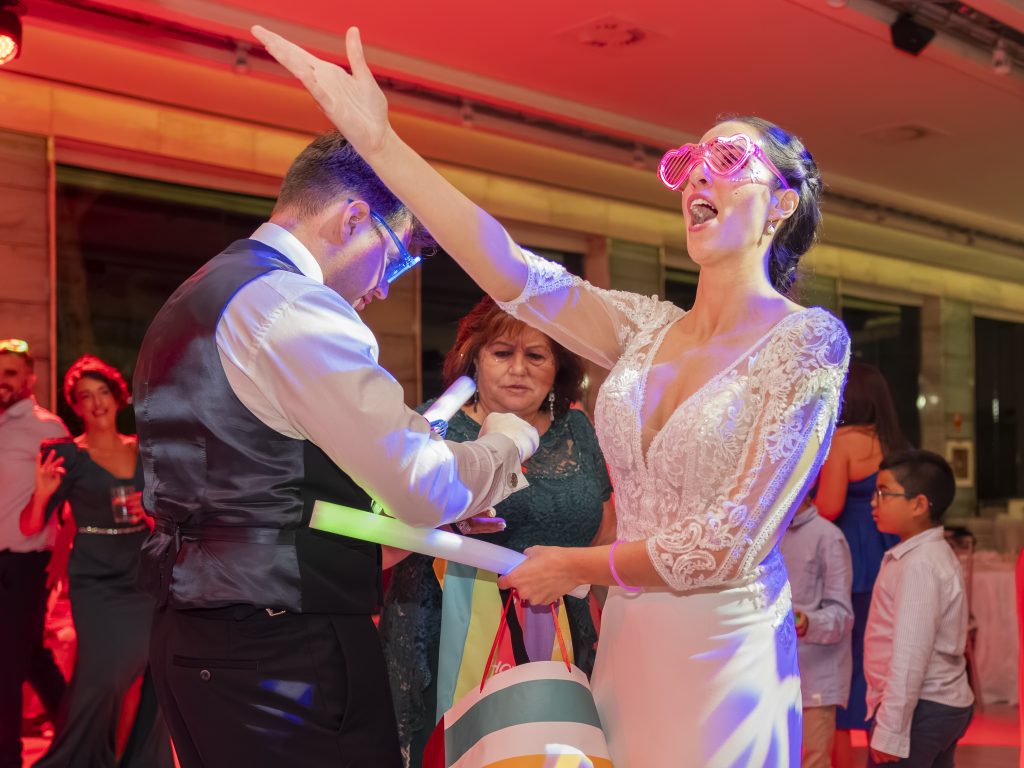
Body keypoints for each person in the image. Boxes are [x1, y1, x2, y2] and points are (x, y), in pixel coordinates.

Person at [251, 26, 851, 766]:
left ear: (782, 201)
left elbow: (728, 545)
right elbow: (508, 268)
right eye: (688, 164)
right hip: (631, 635)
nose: (698, 178)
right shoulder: (644, 328)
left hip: (725, 649)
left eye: (727, 160)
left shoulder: (807, 341)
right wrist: (381, 144)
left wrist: (575, 566)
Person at [132, 131, 539, 768]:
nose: (384, 287)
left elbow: (260, 476)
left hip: (193, 632)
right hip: (282, 645)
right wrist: (507, 443)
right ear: (353, 219)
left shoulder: (197, 296)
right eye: (396, 260)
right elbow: (422, 484)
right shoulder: (295, 307)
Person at [379, 297, 613, 767]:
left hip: (564, 636)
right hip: (447, 634)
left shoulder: (579, 430)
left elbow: (605, 535)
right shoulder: (433, 426)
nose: (518, 369)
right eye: (502, 353)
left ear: (558, 367)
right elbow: (384, 534)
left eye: (536, 355)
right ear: (474, 359)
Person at [20, 355, 171, 768]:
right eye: (85, 396)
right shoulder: (67, 455)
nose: (97, 402)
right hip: (96, 579)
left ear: (118, 397)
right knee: (102, 677)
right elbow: (30, 525)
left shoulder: (145, 450)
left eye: (102, 392)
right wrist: (41, 493)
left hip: (143, 574)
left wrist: (151, 515)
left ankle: (143, 761)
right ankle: (75, 759)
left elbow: (172, 516)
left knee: (151, 672)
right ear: (76, 406)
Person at [815, 360, 905, 762]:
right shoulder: (894, 441)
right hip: (888, 551)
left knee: (842, 665)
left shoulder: (843, 441)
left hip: (850, 557)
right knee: (880, 657)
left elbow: (829, 507)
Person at [864, 449, 973, 766]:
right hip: (937, 704)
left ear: (919, 505)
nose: (873, 502)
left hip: (922, 707)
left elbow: (911, 653)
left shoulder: (919, 565)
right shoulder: (925, 554)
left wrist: (890, 730)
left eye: (883, 492)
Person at [0, 339, 69, 768]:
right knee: (30, 658)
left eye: (10, 372)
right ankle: (81, 737)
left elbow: (70, 499)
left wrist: (61, 557)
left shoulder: (47, 428)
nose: (2, 380)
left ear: (30, 378)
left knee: (8, 667)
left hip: (23, 563)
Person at [779, 493, 854, 768]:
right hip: (774, 671)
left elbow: (842, 615)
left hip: (817, 672)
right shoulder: (769, 535)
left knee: (814, 760)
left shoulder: (828, 536)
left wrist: (808, 622)